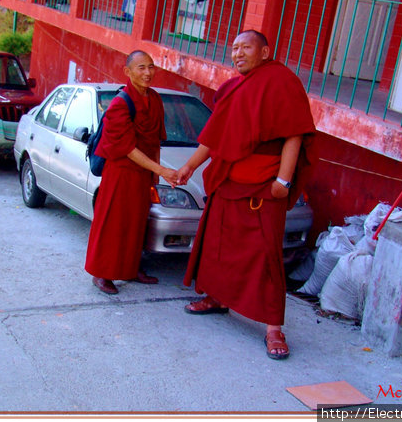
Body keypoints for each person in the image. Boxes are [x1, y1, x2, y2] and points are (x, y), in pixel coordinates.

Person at [177, 30, 317, 360]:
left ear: (266, 51)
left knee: (266, 258)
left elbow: (294, 135)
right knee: (218, 247)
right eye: (234, 48)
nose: (237, 53)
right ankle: (216, 298)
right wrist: (189, 167)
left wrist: (283, 181)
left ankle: (273, 328)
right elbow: (215, 138)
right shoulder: (233, 88)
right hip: (229, 183)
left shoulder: (282, 82)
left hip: (263, 187)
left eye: (246, 48)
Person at [85, 50, 179, 295]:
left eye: (151, 67)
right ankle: (101, 273)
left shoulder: (155, 99)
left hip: (143, 173)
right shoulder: (120, 103)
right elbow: (127, 148)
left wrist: (156, 174)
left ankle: (130, 268)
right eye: (141, 68)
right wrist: (162, 169)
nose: (147, 73)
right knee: (113, 222)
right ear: (127, 72)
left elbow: (155, 139)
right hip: (121, 172)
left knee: (137, 222)